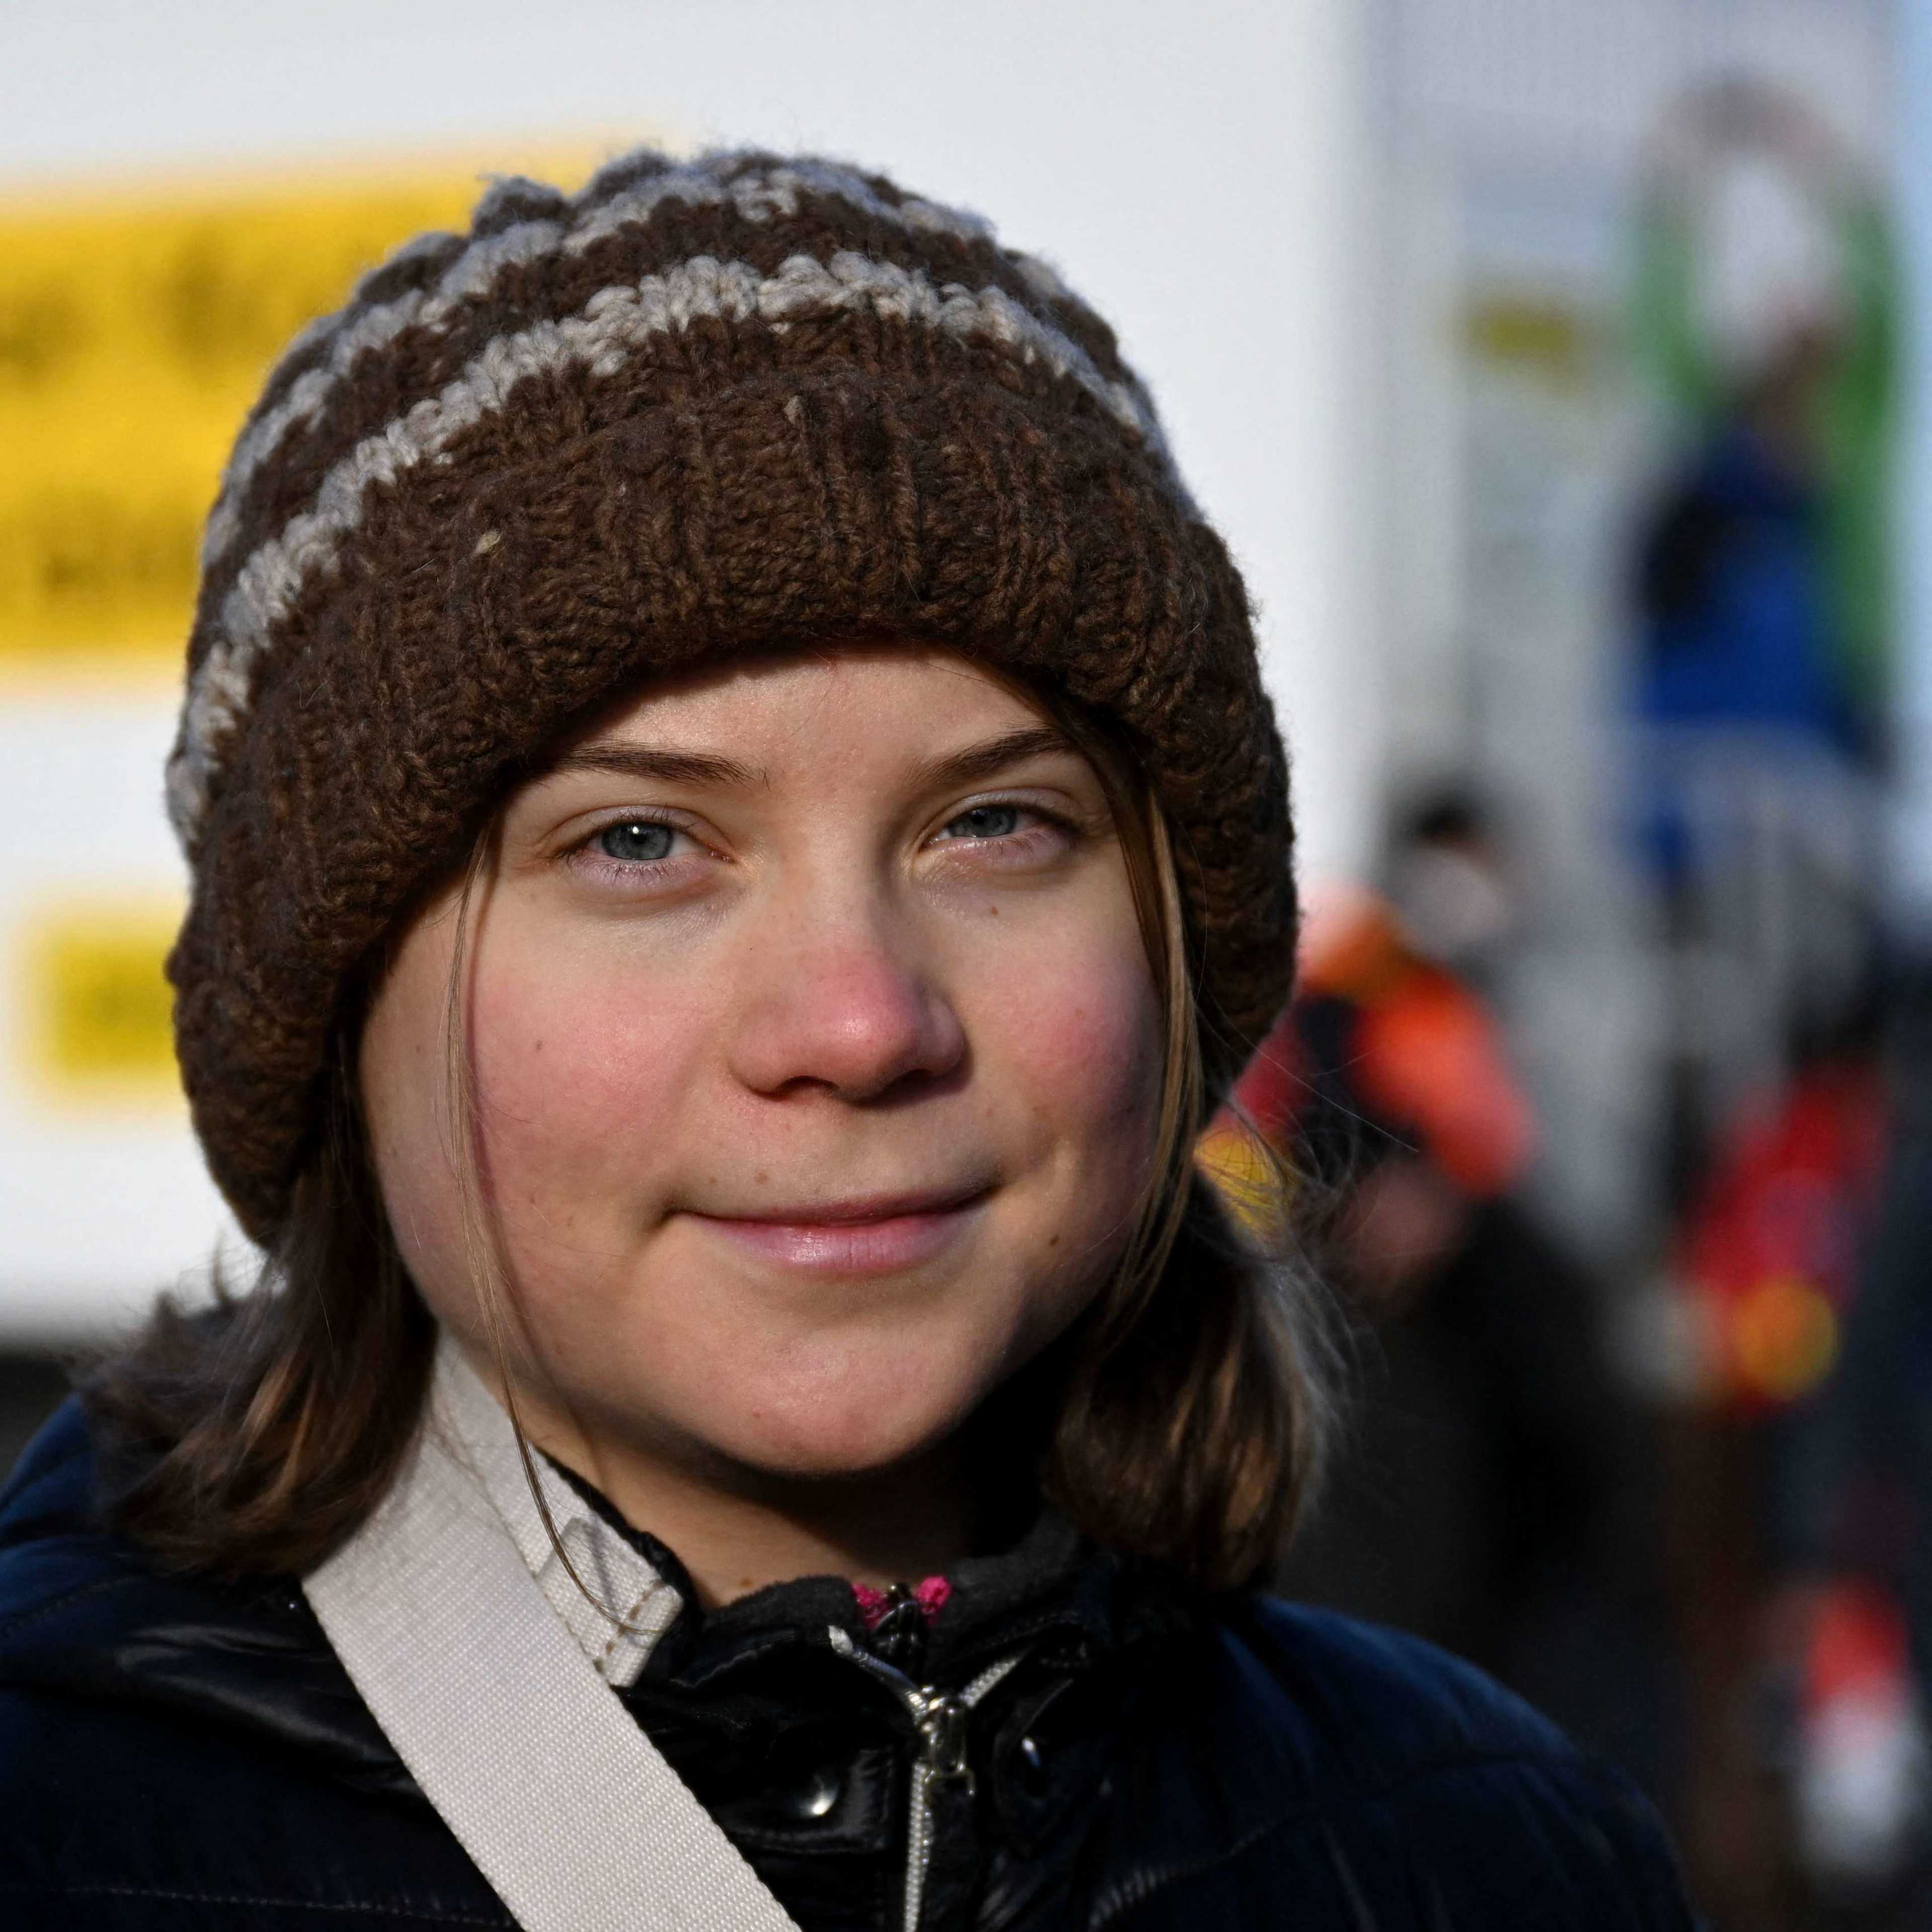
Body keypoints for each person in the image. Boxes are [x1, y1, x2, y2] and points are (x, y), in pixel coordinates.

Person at [0, 146, 1694, 1930]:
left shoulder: (1498, 1857)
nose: (862, 1023)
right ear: (335, 1004)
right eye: (638, 842)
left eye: (996, 825)